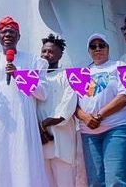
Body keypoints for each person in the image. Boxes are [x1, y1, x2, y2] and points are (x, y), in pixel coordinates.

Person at [0, 16, 49, 186]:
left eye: (12, 32)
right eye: (3, 32)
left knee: (23, 164)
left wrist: (19, 76)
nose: (7, 35)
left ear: (19, 36)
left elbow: (42, 93)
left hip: (22, 125)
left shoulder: (33, 61)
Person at [75, 33, 126, 187]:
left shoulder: (122, 65)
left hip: (118, 128)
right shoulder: (81, 72)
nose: (97, 49)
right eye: (93, 46)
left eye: (101, 45)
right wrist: (85, 117)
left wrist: (99, 115)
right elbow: (73, 104)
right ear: (88, 51)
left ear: (108, 48)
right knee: (95, 181)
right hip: (89, 132)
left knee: (117, 179)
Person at [37, 34, 82, 186]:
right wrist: (38, 127)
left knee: (65, 181)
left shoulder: (67, 75)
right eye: (43, 51)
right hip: (41, 139)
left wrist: (48, 123)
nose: (46, 55)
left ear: (60, 55)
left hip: (62, 139)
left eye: (50, 52)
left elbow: (68, 104)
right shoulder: (35, 78)